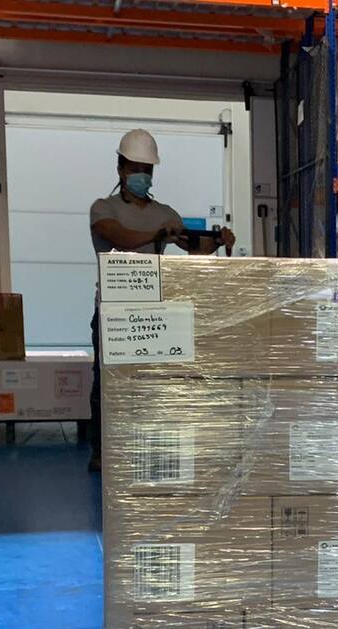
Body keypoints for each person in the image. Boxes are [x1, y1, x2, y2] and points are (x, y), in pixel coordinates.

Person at [88, 129, 234, 471]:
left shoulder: (166, 213)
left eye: (147, 169)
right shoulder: (103, 208)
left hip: (152, 313)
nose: (142, 175)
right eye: (135, 168)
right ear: (121, 168)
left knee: (149, 384)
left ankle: (144, 445)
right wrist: (157, 234)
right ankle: (102, 451)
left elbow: (194, 248)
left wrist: (217, 240)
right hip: (112, 312)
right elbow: (119, 237)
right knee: (107, 384)